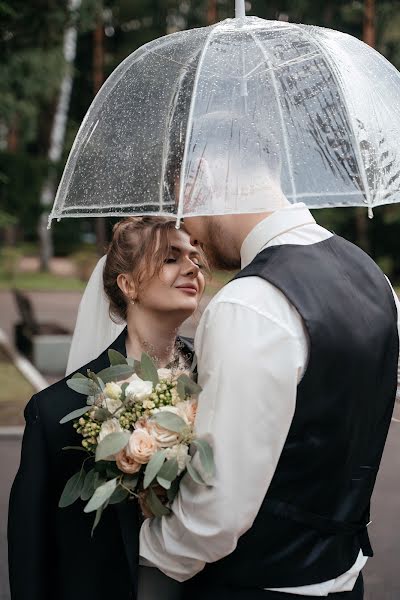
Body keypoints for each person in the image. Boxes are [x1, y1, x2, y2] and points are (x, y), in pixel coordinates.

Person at [138, 201, 400, 599]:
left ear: (204, 175)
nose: (187, 230)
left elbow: (216, 512)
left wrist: (143, 553)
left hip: (253, 583)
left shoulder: (249, 303)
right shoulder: (372, 277)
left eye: (183, 206)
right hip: (345, 579)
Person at [8, 216, 208, 600]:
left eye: (195, 258)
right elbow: (31, 553)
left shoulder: (217, 381)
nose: (192, 268)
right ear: (128, 284)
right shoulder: (57, 411)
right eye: (170, 258)